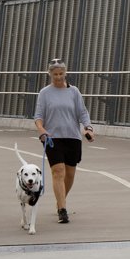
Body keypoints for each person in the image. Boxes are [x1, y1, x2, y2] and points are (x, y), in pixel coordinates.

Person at [33, 60, 93, 223]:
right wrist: (41, 129)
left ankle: (61, 200)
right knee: (58, 171)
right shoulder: (45, 93)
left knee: (69, 174)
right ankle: (62, 209)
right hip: (52, 138)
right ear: (50, 74)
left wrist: (88, 128)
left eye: (61, 74)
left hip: (72, 137)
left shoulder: (74, 92)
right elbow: (38, 116)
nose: (58, 77)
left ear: (65, 73)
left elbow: (82, 113)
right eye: (55, 74)